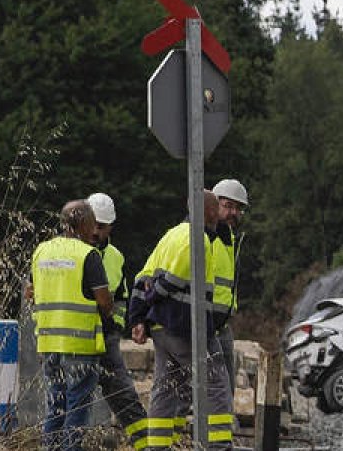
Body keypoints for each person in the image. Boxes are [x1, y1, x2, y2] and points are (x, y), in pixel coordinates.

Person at [127, 190, 233, 450]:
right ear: (209, 211)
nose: (219, 215)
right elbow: (172, 281)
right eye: (216, 209)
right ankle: (219, 446)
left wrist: (138, 316)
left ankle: (158, 446)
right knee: (216, 384)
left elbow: (143, 275)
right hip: (185, 326)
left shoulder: (171, 234)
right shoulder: (198, 239)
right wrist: (154, 296)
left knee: (165, 389)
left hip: (162, 328)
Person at [30, 199, 112, 451]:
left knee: (54, 406)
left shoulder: (41, 251)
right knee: (77, 408)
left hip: (48, 343)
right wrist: (109, 312)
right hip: (79, 344)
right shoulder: (88, 255)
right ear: (86, 223)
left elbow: (29, 293)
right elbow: (104, 301)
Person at [86, 193, 150, 450]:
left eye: (101, 226)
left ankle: (147, 444)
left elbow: (122, 298)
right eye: (92, 224)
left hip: (106, 338)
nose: (95, 231)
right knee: (72, 400)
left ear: (111, 226)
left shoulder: (115, 257)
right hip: (74, 339)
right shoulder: (72, 252)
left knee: (124, 395)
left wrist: (115, 325)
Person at [209, 179, 247, 394]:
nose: (234, 212)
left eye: (238, 208)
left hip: (221, 326)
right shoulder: (204, 237)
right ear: (214, 205)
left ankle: (222, 427)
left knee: (225, 390)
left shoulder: (232, 240)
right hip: (200, 324)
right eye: (228, 206)